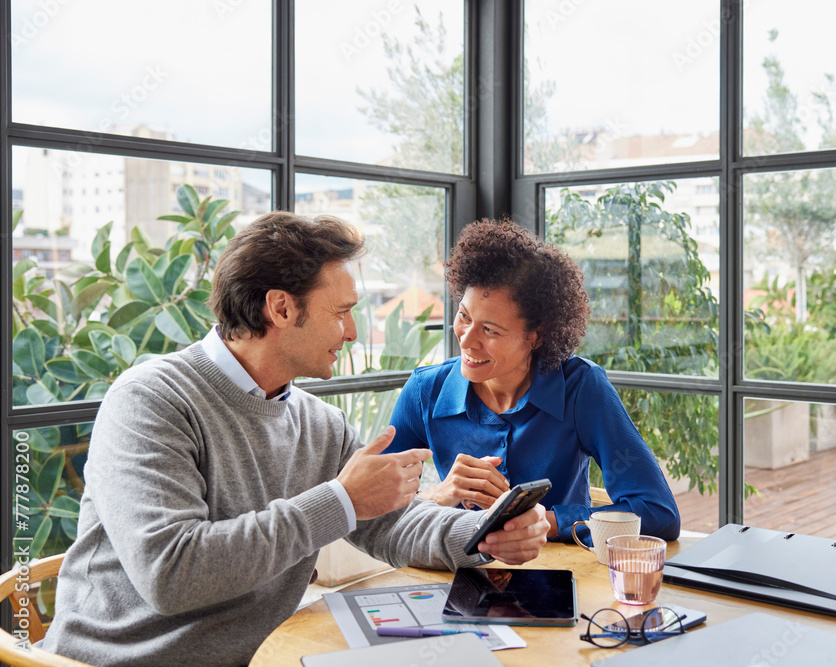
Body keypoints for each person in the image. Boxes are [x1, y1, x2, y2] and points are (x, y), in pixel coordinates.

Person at [42, 212, 548, 667]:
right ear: (281, 308)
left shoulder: (320, 423)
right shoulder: (150, 400)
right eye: (341, 312)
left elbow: (392, 523)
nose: (352, 332)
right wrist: (342, 500)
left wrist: (483, 533)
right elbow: (171, 574)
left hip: (266, 657)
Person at [385, 219, 680, 543]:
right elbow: (377, 514)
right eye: (464, 316)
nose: (466, 340)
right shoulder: (424, 392)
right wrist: (440, 495)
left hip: (558, 569)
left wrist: (546, 522)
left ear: (536, 337)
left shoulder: (581, 389)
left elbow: (657, 512)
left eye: (490, 330)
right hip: (456, 566)